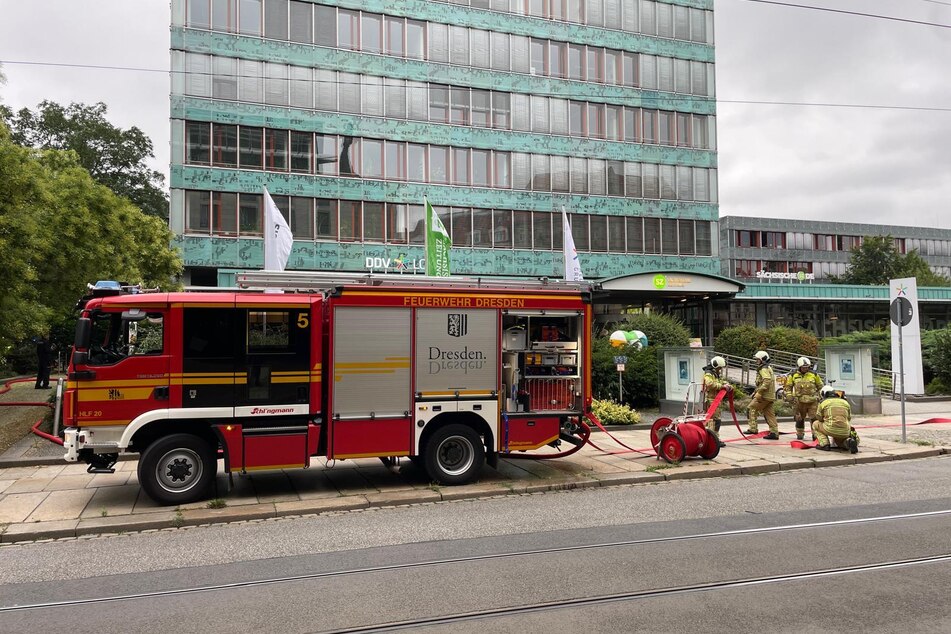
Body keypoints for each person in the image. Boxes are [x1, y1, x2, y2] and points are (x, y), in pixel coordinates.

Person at [786, 356, 824, 440]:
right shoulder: (793, 375)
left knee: (814, 418)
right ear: (799, 367)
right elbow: (788, 387)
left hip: (812, 401)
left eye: (807, 367)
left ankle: (815, 434)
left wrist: (820, 396)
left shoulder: (814, 375)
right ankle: (800, 433)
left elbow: (820, 386)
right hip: (799, 401)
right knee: (799, 419)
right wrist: (789, 396)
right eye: (803, 367)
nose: (805, 369)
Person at [812, 385, 859, 453]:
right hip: (845, 431)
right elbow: (849, 418)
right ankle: (848, 442)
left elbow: (819, 417)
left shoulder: (823, 403)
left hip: (830, 429)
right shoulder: (845, 402)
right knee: (839, 442)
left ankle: (824, 444)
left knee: (815, 424)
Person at [746, 351, 779, 439]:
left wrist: (759, 392)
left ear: (763, 359)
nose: (756, 361)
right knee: (769, 414)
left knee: (751, 408)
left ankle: (753, 428)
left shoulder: (763, 369)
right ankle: (774, 433)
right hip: (770, 396)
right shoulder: (768, 368)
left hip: (764, 396)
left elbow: (766, 381)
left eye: (758, 360)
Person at [702, 356, 733, 448]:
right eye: (719, 368)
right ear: (715, 366)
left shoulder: (714, 373)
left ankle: (713, 438)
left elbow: (717, 382)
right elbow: (710, 384)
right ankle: (713, 439)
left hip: (715, 399)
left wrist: (725, 384)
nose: (720, 370)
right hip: (711, 400)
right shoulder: (708, 374)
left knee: (715, 420)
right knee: (714, 421)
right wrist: (722, 386)